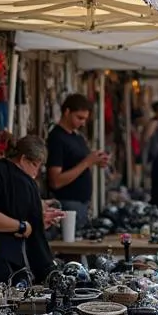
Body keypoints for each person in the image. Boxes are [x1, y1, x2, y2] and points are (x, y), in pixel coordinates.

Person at [0, 135, 64, 285]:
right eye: (35, 165)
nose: (36, 172)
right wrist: (22, 226)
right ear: (23, 159)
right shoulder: (27, 183)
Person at [46, 94, 108, 226]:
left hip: (82, 203)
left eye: (85, 119)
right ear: (67, 112)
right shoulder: (57, 138)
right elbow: (55, 181)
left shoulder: (77, 137)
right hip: (68, 203)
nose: (83, 123)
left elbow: (80, 164)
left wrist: (96, 160)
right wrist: (87, 162)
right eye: (79, 118)